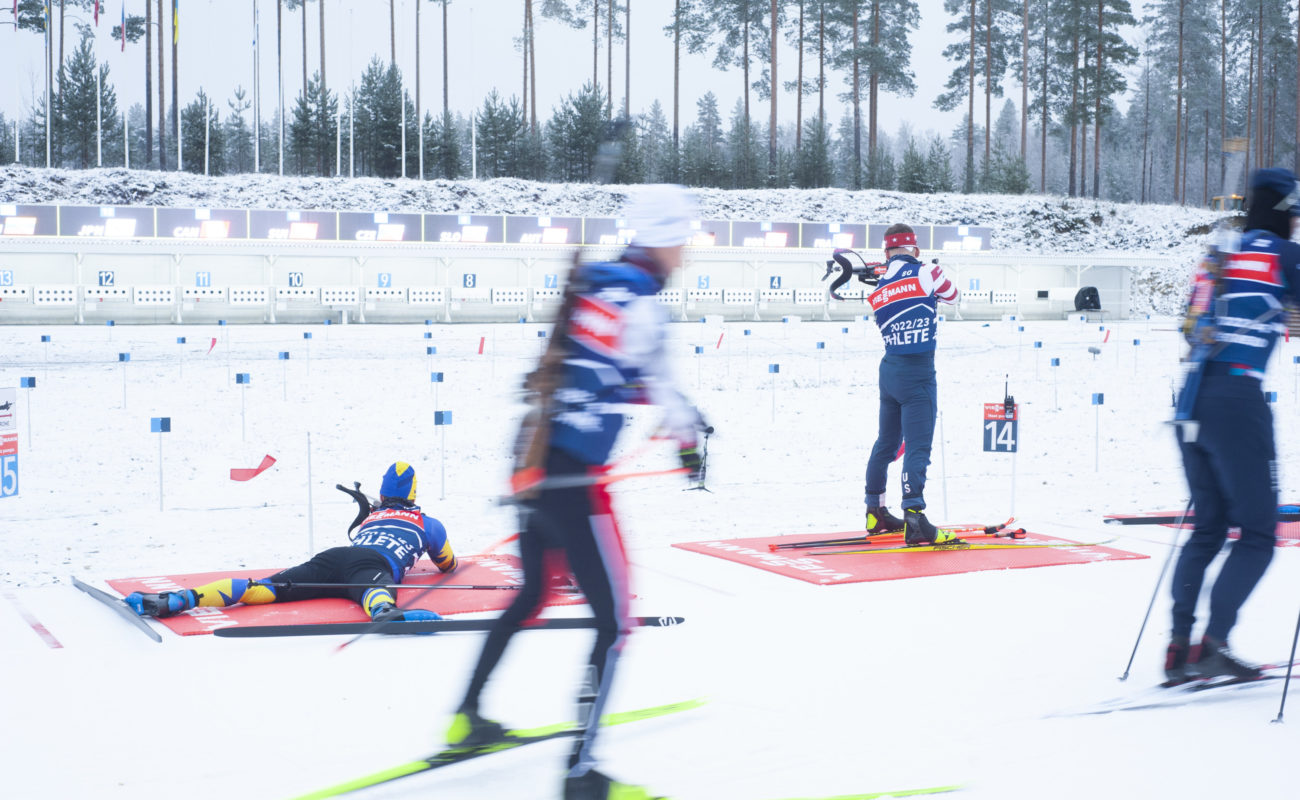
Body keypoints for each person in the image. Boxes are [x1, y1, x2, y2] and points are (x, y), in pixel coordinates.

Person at [445, 185, 708, 800]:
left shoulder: (592, 282)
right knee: (615, 624)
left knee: (533, 593)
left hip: (531, 464)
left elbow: (594, 366)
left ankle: (466, 718)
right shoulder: (643, 301)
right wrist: (690, 438)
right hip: (575, 482)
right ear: (663, 239)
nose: (685, 256)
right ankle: (583, 775)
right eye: (682, 242)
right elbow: (659, 386)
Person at [1165, 167, 1300, 683]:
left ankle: (1179, 647)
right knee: (1261, 534)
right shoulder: (1284, 255)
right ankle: (1213, 645)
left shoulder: (1217, 256)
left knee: (1208, 529)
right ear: (1286, 214)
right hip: (1237, 400)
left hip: (1190, 401)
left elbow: (1188, 323)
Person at [125, 462, 455, 623]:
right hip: (370, 567)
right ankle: (386, 613)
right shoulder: (430, 525)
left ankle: (179, 598)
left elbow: (368, 528)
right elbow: (448, 564)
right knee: (375, 593)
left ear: (383, 494)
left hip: (331, 560)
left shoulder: (371, 517)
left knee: (264, 588)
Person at [862, 223, 959, 545]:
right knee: (918, 447)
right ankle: (914, 518)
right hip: (918, 372)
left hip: (889, 370)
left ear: (885, 253)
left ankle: (874, 512)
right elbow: (953, 296)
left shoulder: (877, 289)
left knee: (885, 445)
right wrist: (923, 268)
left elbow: (893, 292)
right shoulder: (928, 271)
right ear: (915, 250)